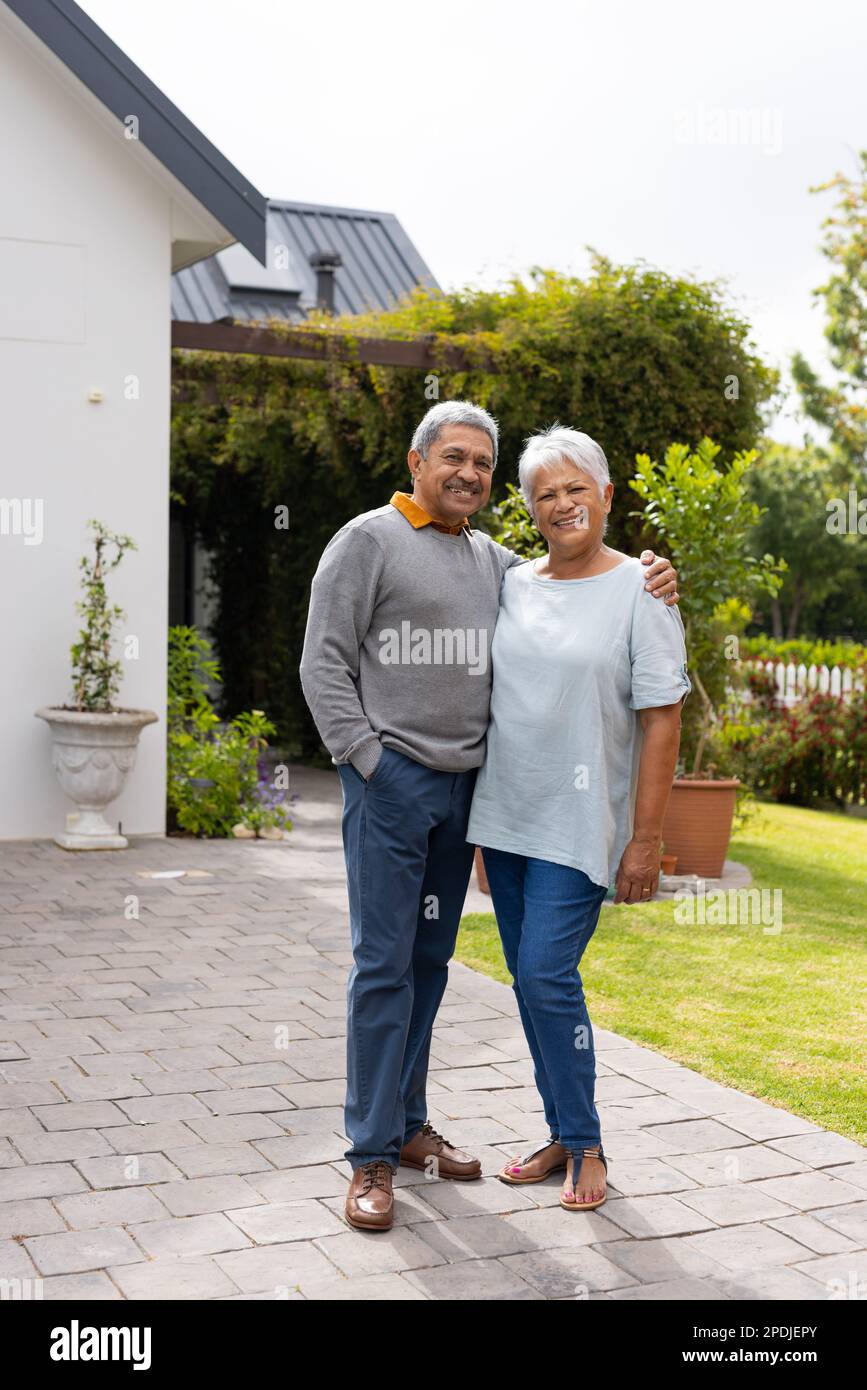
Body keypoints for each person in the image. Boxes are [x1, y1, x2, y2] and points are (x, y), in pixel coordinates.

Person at [299, 401, 679, 1231]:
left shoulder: (494, 562)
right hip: (391, 788)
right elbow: (322, 663)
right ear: (416, 461)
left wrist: (653, 575)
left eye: (482, 463)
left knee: (429, 963)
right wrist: (367, 762)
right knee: (381, 968)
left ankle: (407, 1126)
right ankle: (367, 1156)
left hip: (464, 797)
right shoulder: (366, 540)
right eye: (454, 458)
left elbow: (575, 572)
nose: (468, 473)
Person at [466, 424, 691, 1212]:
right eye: (542, 494)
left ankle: (587, 1142)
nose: (560, 504)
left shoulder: (643, 589)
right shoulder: (512, 583)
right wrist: (482, 838)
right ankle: (562, 1132)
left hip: (579, 824)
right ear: (528, 509)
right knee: (529, 987)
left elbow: (661, 718)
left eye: (573, 488)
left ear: (605, 494)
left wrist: (645, 839)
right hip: (505, 818)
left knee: (543, 975)